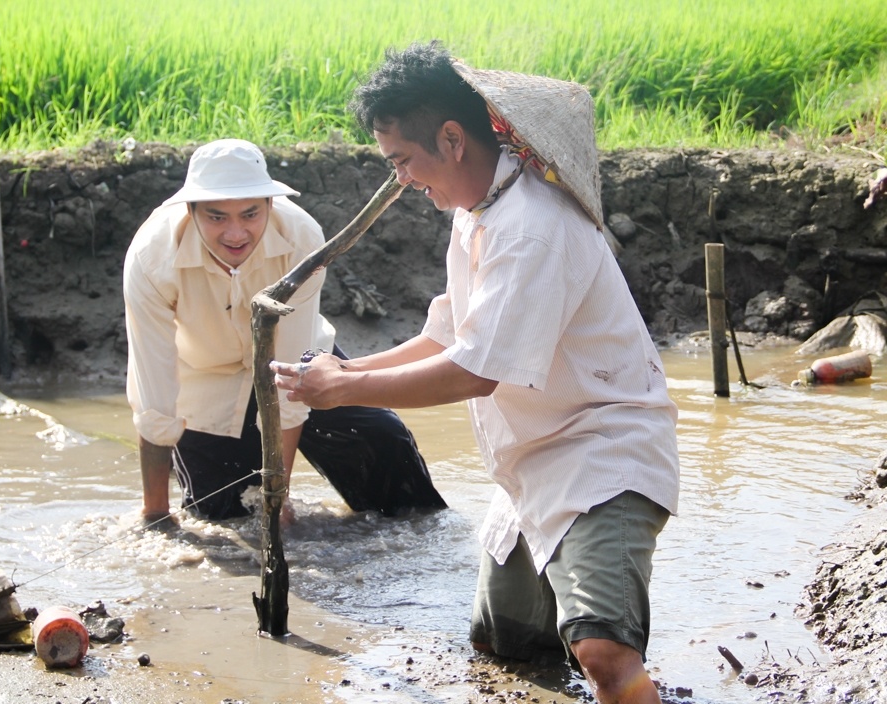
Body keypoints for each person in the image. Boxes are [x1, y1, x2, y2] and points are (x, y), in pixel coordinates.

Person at [272, 43, 680, 704]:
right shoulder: (479, 209)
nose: (402, 179)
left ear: (453, 139)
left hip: (602, 451)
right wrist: (337, 371)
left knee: (603, 652)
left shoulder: (529, 228)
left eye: (403, 160)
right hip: (531, 464)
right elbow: (449, 331)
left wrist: (343, 388)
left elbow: (474, 371)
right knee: (504, 644)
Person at [123, 138, 445, 527]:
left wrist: (277, 500)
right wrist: (155, 514)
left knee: (383, 443)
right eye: (216, 217)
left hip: (297, 360)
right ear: (190, 211)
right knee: (223, 514)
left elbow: (290, 377)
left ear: (270, 205)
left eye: (249, 214)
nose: (236, 233)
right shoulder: (152, 258)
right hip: (205, 374)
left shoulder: (302, 239)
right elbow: (153, 391)